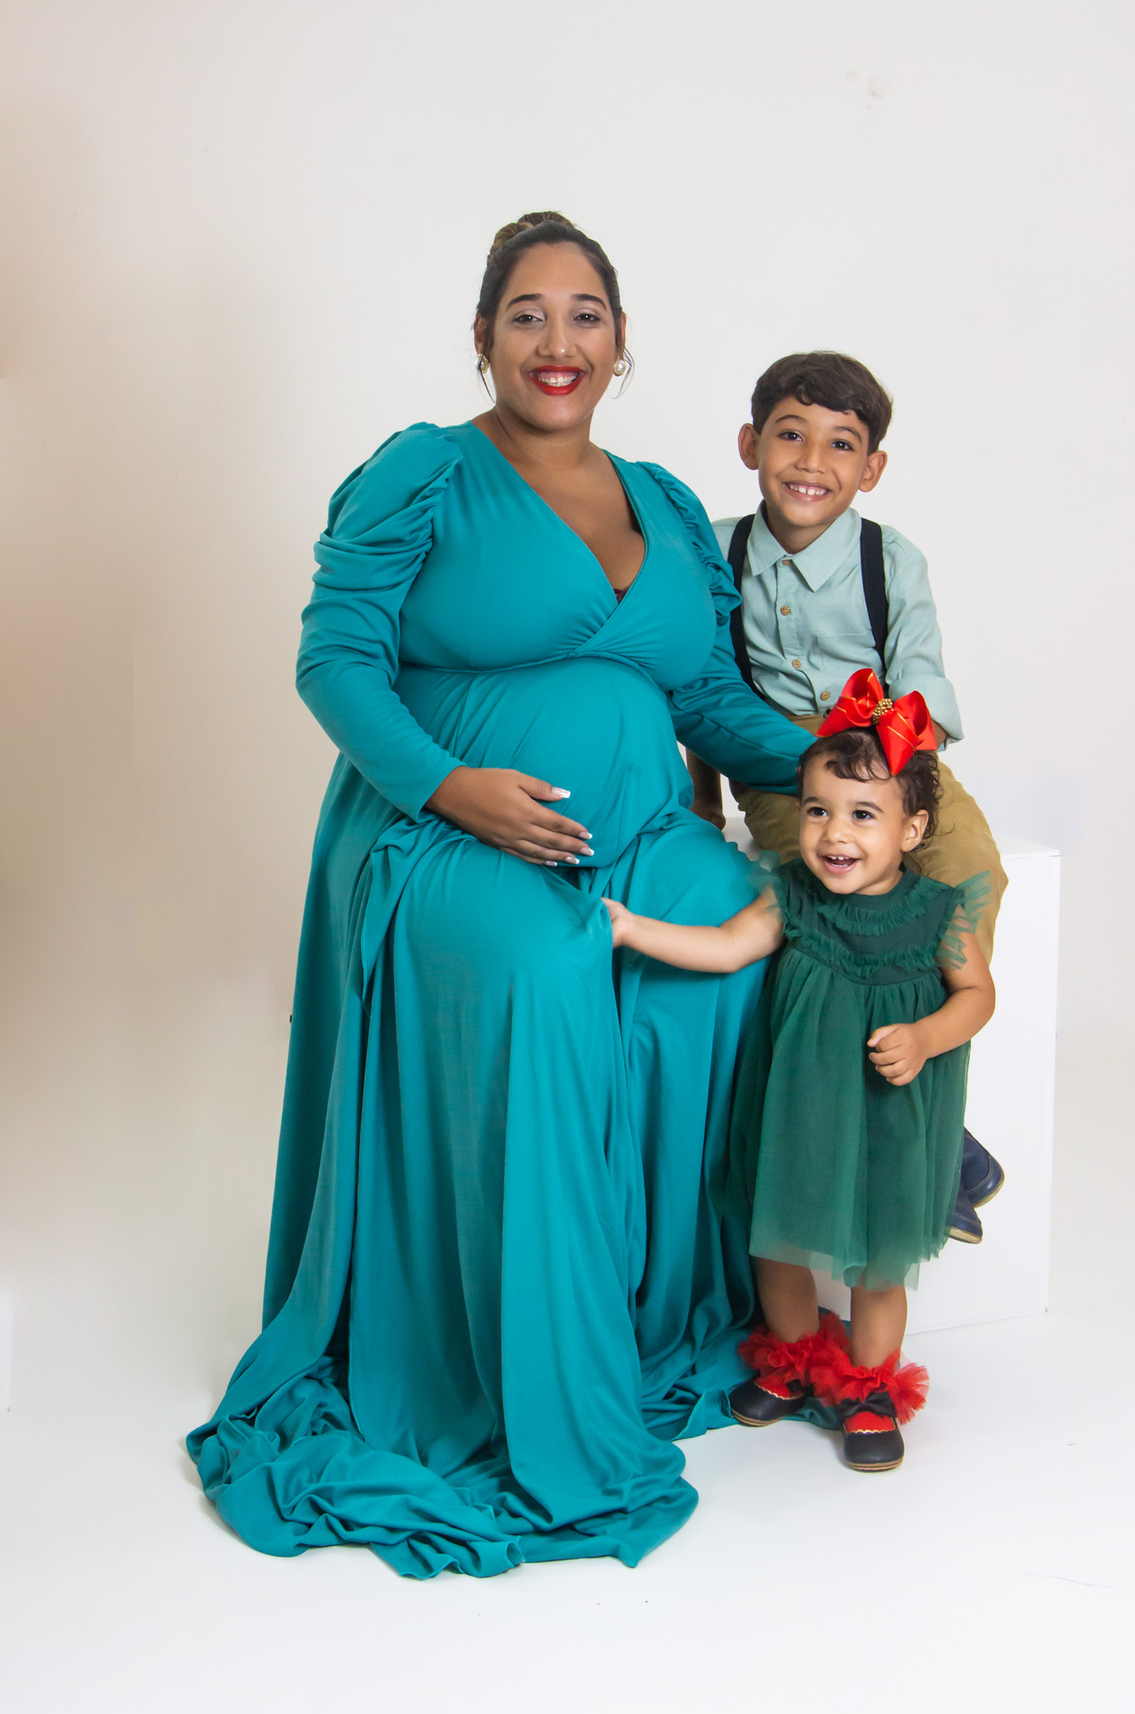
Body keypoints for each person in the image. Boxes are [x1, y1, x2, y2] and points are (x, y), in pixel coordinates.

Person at [187, 213, 820, 1577]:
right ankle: (524, 1372)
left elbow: (708, 699)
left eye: (585, 313)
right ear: (484, 338)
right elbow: (335, 660)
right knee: (545, 968)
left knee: (749, 930)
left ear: (621, 340)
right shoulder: (425, 474)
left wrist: (844, 757)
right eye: (527, 314)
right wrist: (451, 788)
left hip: (637, 830)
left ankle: (648, 1319)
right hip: (441, 842)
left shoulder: (661, 502)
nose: (557, 341)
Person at [606, 677, 996, 1471]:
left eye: (862, 815)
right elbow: (726, 947)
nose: (833, 833)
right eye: (817, 810)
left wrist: (925, 1037)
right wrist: (632, 929)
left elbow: (977, 996)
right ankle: (791, 1360)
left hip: (889, 1117)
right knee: (776, 1240)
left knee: (879, 1261)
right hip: (797, 1107)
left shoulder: (938, 912)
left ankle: (869, 1389)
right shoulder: (792, 897)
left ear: (912, 828)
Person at [685, 351, 1005, 1241]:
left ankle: (932, 1081)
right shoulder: (712, 552)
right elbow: (696, 685)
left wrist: (894, 789)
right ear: (750, 444)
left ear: (872, 469)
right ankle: (931, 1134)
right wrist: (705, 795)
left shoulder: (889, 559)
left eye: (840, 445)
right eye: (790, 435)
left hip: (894, 753)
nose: (811, 461)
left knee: (968, 866)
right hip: (782, 769)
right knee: (828, 884)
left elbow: (923, 684)